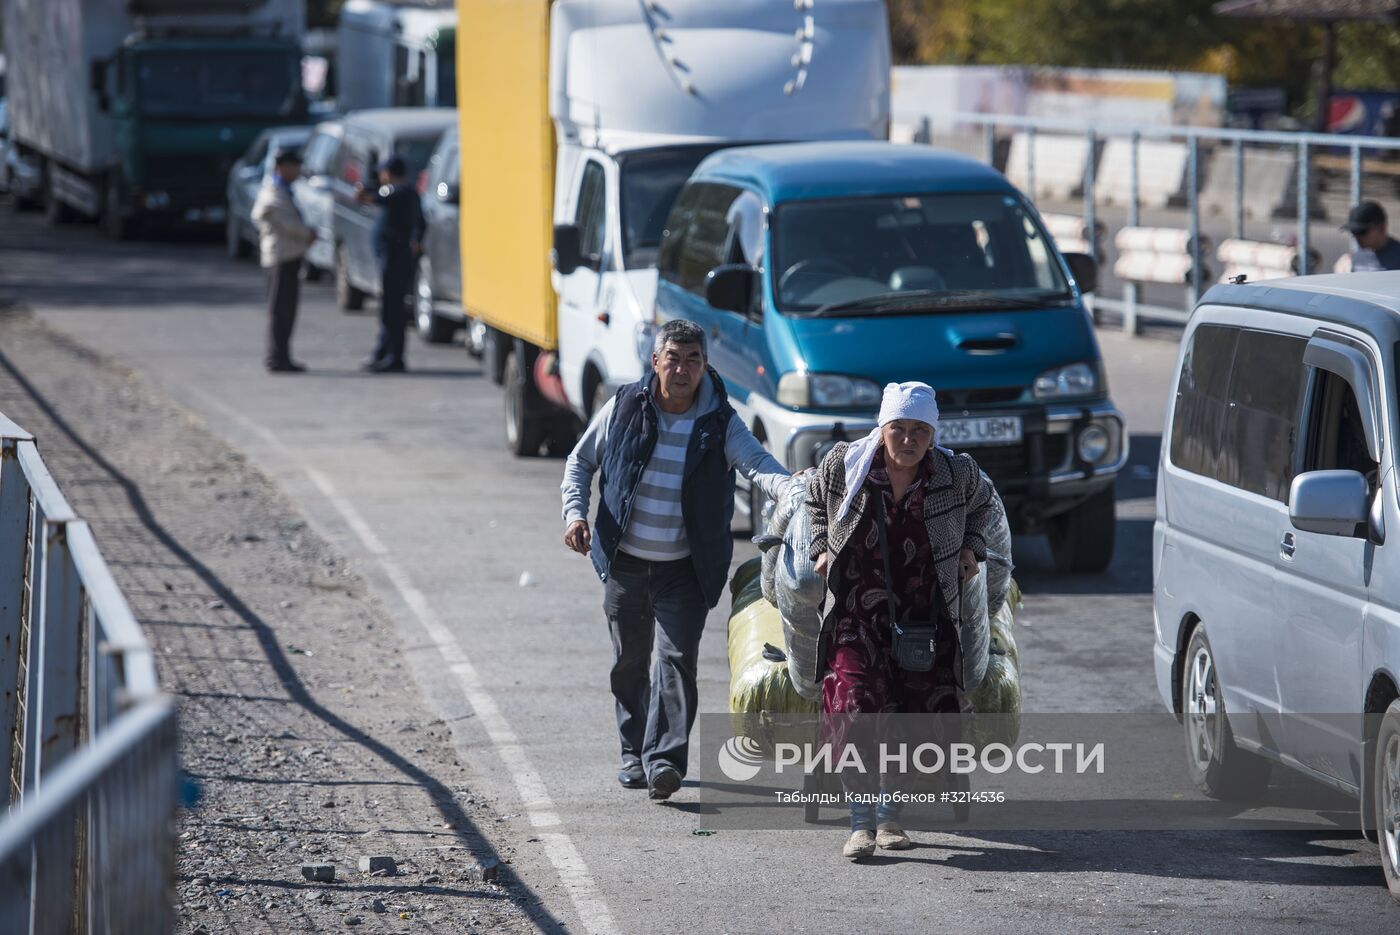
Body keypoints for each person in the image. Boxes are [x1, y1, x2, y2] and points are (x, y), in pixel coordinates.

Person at [561, 319, 790, 800]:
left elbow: (758, 465)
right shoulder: (624, 406)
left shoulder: (720, 422)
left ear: (705, 366)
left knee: (675, 660)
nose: (682, 370)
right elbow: (582, 461)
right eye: (674, 359)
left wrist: (796, 489)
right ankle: (633, 752)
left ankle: (664, 760)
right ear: (655, 361)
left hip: (685, 569)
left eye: (693, 360)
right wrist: (574, 514)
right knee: (629, 661)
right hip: (625, 563)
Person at [805, 382, 1001, 860]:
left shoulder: (956, 473)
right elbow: (811, 504)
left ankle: (891, 815)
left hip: (925, 618)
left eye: (919, 430)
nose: (908, 439)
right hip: (856, 614)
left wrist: (973, 546)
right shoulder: (845, 465)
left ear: (932, 434)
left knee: (914, 719)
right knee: (854, 705)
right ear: (882, 428)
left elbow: (987, 508)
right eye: (898, 428)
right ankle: (859, 821)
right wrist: (819, 547)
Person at [357, 155, 425, 373]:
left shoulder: (400, 192)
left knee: (393, 310)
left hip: (395, 258)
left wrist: (364, 193)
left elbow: (376, 198)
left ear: (389, 173)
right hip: (394, 257)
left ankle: (394, 356)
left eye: (382, 173)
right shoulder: (407, 192)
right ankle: (383, 351)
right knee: (389, 308)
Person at [251, 149, 315, 373]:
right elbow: (263, 213)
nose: (298, 170)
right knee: (280, 310)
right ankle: (277, 358)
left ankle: (283, 356)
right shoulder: (273, 190)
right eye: (294, 166)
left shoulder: (284, 188)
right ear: (283, 167)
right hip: (280, 256)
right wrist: (304, 234)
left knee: (287, 309)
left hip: (290, 254)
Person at [1342, 200, 1400, 272]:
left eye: (1362, 232)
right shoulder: (1353, 259)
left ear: (1381, 227)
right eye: (1354, 232)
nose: (1358, 237)